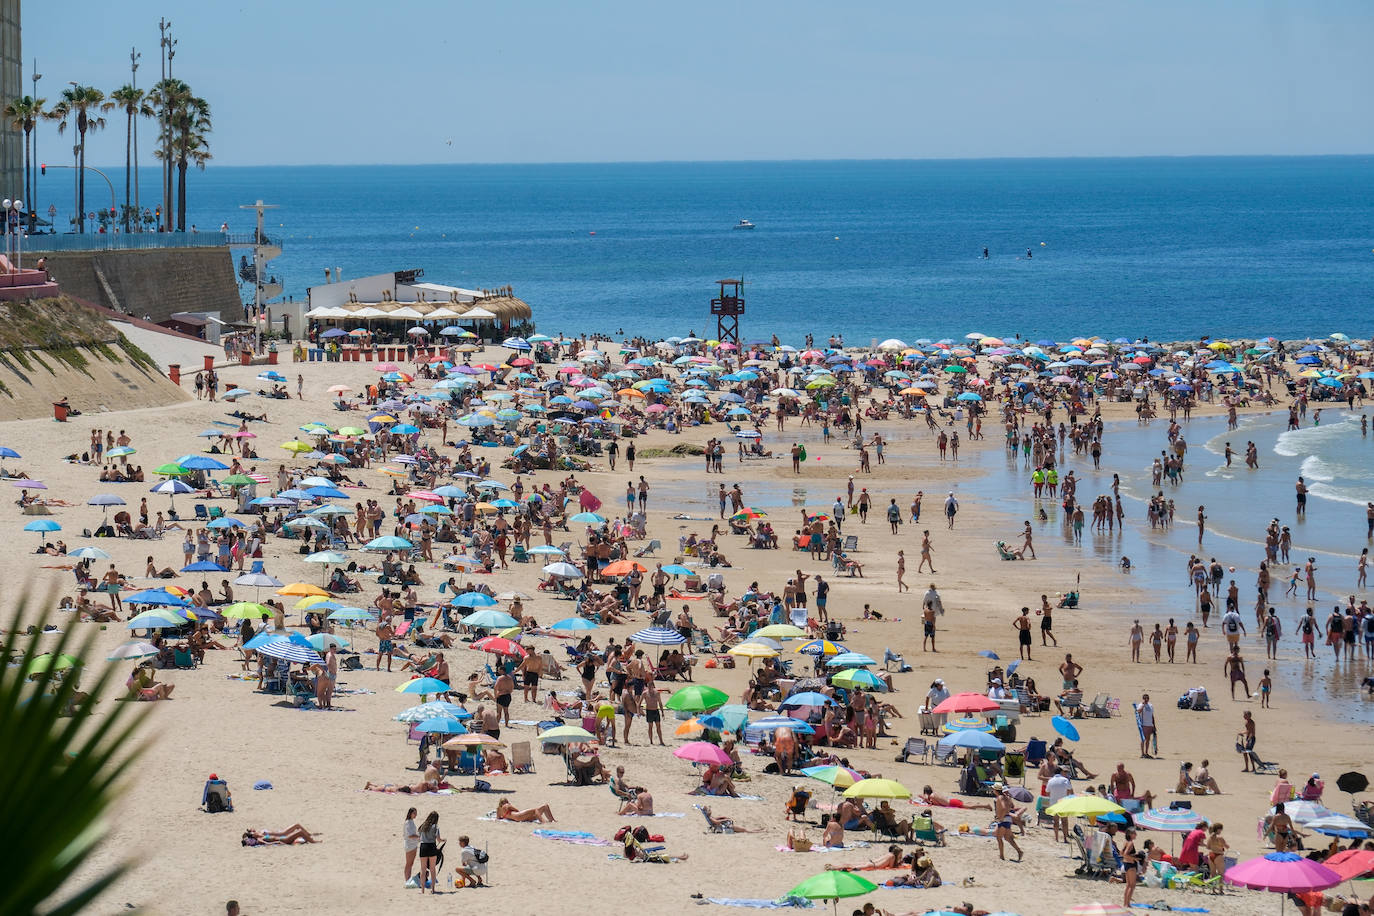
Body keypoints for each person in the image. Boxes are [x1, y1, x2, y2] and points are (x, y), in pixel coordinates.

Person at [416, 811, 442, 893]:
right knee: (432, 869)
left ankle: (422, 889)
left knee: (423, 869)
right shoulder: (435, 827)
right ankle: (433, 889)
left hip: (423, 847)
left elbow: (418, 838)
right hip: (431, 847)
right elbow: (438, 839)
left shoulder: (423, 826)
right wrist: (443, 840)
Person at [241, 824, 320, 846]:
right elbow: (267, 843)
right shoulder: (259, 839)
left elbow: (252, 829)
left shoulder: (260, 834)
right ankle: (313, 842)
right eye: (253, 833)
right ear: (253, 836)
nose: (255, 832)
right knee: (299, 832)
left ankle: (309, 835)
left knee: (297, 826)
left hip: (283, 836)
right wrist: (276, 843)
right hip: (284, 839)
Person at [402, 807, 421, 887]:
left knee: (411, 863)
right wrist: (418, 836)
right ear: (410, 813)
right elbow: (410, 835)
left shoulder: (411, 822)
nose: (415, 815)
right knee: (409, 864)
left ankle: (408, 880)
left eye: (416, 813)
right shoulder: (408, 822)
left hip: (413, 844)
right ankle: (407, 881)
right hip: (410, 845)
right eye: (414, 813)